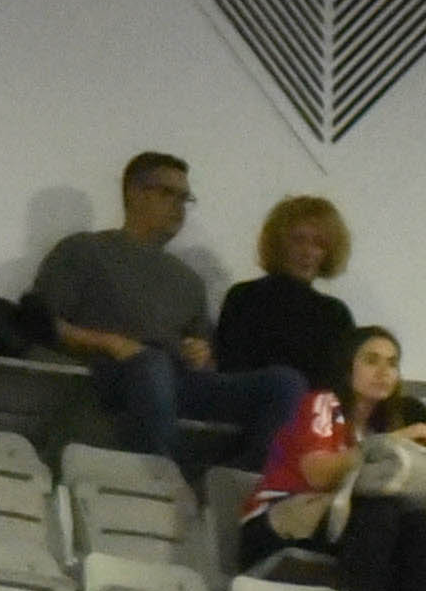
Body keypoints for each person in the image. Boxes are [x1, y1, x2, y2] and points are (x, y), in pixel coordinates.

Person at [27, 149, 302, 468]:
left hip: (175, 379)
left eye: (185, 198)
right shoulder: (85, 250)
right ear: (133, 193)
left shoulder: (188, 280)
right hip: (106, 372)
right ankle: (158, 479)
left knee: (285, 383)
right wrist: (113, 344)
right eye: (167, 193)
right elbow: (40, 321)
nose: (178, 207)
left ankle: (250, 481)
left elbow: (207, 359)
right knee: (151, 363)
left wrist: (202, 354)